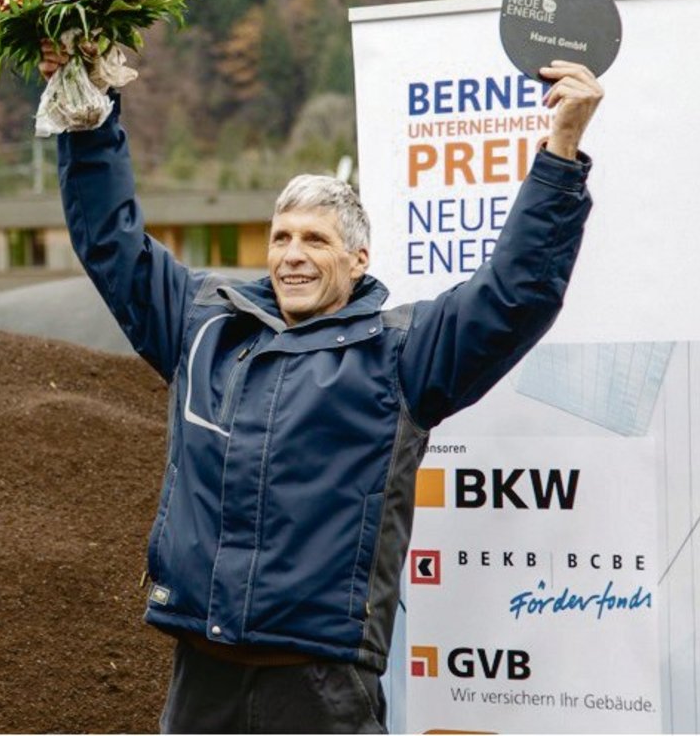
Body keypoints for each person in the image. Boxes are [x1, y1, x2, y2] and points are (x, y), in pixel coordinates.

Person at [41, 45, 603, 734]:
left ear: (358, 259)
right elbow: (112, 244)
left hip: (320, 687)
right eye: (281, 238)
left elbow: (514, 296)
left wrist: (560, 155)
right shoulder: (202, 323)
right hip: (202, 679)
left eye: (314, 239)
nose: (293, 255)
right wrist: (89, 114)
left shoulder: (401, 352)